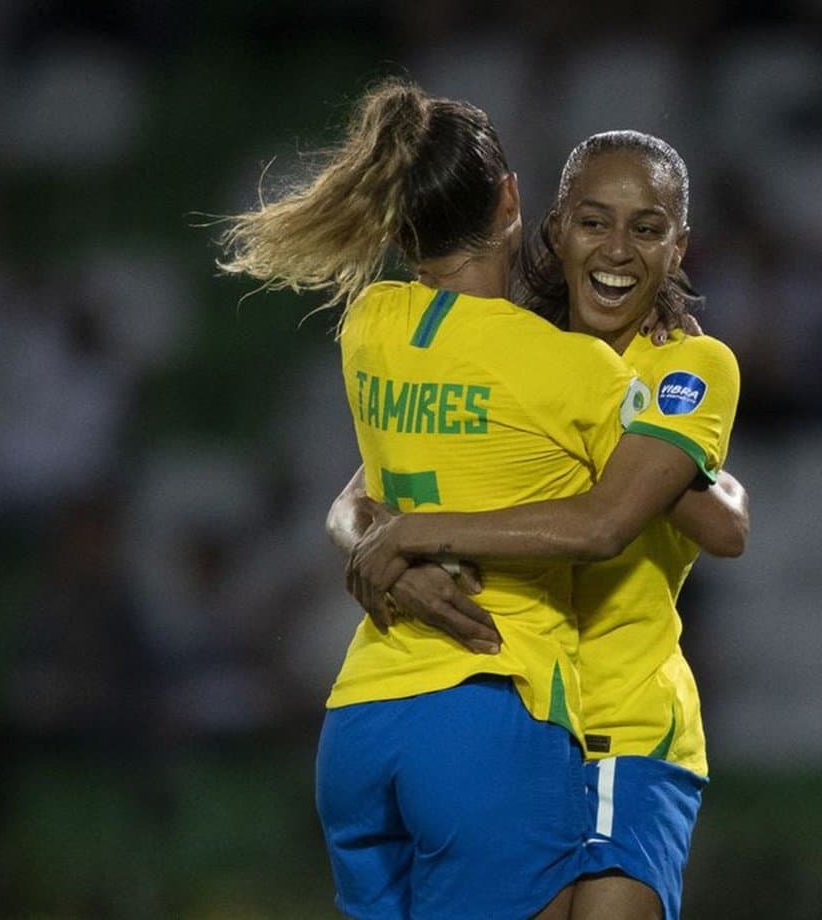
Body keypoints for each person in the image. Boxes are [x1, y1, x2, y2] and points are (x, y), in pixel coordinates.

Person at [217, 80, 659, 920]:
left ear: (394, 219)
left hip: (363, 721)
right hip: (494, 707)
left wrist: (387, 547)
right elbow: (620, 522)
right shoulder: (572, 371)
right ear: (509, 199)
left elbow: (357, 500)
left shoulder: (369, 328)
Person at [343, 131, 743, 920]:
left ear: (678, 246)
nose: (618, 250)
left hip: (623, 730)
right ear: (554, 228)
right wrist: (375, 544)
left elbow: (668, 523)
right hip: (518, 721)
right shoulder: (519, 354)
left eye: (648, 228)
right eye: (595, 222)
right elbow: (358, 494)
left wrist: (419, 535)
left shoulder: (686, 369)